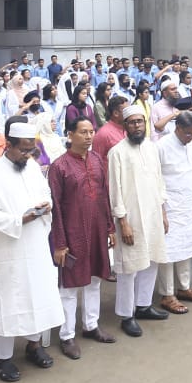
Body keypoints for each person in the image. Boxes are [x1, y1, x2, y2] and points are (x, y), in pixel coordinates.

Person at [0, 118, 65, 381]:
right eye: (23, 150)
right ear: (9, 144)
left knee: (36, 294)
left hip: (36, 243)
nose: (28, 155)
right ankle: (2, 358)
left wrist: (45, 206)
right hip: (8, 246)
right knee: (9, 299)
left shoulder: (32, 168)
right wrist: (18, 220)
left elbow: (46, 194)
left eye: (30, 150)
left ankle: (33, 345)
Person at [46, 115, 117, 360]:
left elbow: (104, 195)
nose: (88, 136)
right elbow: (55, 206)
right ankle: (66, 335)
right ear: (70, 135)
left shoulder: (97, 160)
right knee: (69, 285)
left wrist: (110, 228)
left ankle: (91, 325)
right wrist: (60, 243)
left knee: (95, 279)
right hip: (73, 232)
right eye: (83, 132)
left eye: (91, 132)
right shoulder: (59, 166)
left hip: (97, 229)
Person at [106, 105, 171, 336]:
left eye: (140, 122)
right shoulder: (117, 153)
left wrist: (163, 212)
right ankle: (126, 315)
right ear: (125, 126)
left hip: (153, 213)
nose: (136, 126)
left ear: (145, 123)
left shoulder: (152, 148)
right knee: (129, 267)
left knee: (152, 260)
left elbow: (159, 181)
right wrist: (122, 222)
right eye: (132, 122)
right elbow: (115, 190)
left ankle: (143, 305)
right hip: (131, 218)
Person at [155, 110, 192, 310]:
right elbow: (155, 180)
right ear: (177, 128)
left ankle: (184, 287)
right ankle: (167, 294)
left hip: (189, 204)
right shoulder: (161, 146)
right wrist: (161, 210)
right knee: (169, 252)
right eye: (188, 133)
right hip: (169, 206)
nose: (191, 137)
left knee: (187, 246)